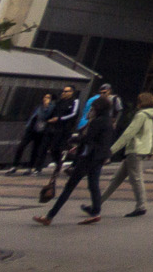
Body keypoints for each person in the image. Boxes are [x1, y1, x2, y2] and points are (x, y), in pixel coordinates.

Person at [34, 83, 118, 226]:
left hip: (89, 157)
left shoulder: (97, 122)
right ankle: (96, 211)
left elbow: (87, 138)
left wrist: (74, 140)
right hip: (100, 157)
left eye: (94, 108)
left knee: (69, 187)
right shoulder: (108, 122)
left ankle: (50, 216)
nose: (92, 110)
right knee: (93, 185)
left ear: (98, 108)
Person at [97, 92, 153, 217]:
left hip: (135, 149)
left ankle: (141, 206)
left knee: (136, 178)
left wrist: (112, 150)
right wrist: (152, 150)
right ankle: (97, 203)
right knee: (116, 179)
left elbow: (129, 133)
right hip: (144, 149)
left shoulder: (141, 115)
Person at [9, 93, 55, 174]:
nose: (45, 99)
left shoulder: (51, 108)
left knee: (35, 149)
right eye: (45, 97)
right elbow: (33, 116)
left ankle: (30, 167)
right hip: (31, 129)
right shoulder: (38, 106)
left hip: (41, 130)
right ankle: (14, 165)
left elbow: (43, 116)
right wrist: (28, 125)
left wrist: (46, 106)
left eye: (48, 97)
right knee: (21, 146)